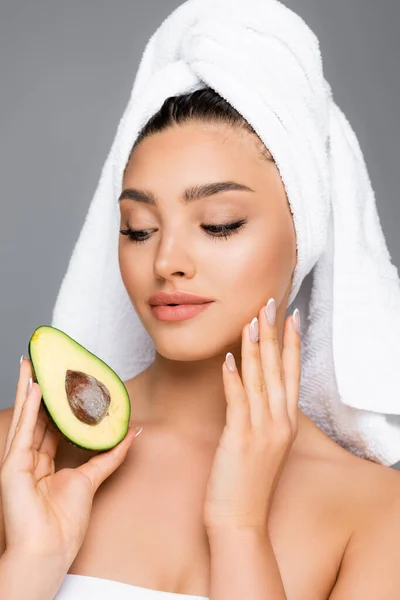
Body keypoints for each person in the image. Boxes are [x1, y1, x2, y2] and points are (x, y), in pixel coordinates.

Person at [1, 84, 400, 600]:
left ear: (306, 235)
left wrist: (239, 526)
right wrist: (33, 561)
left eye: (219, 224)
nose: (166, 261)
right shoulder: (20, 459)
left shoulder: (377, 513)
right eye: (139, 229)